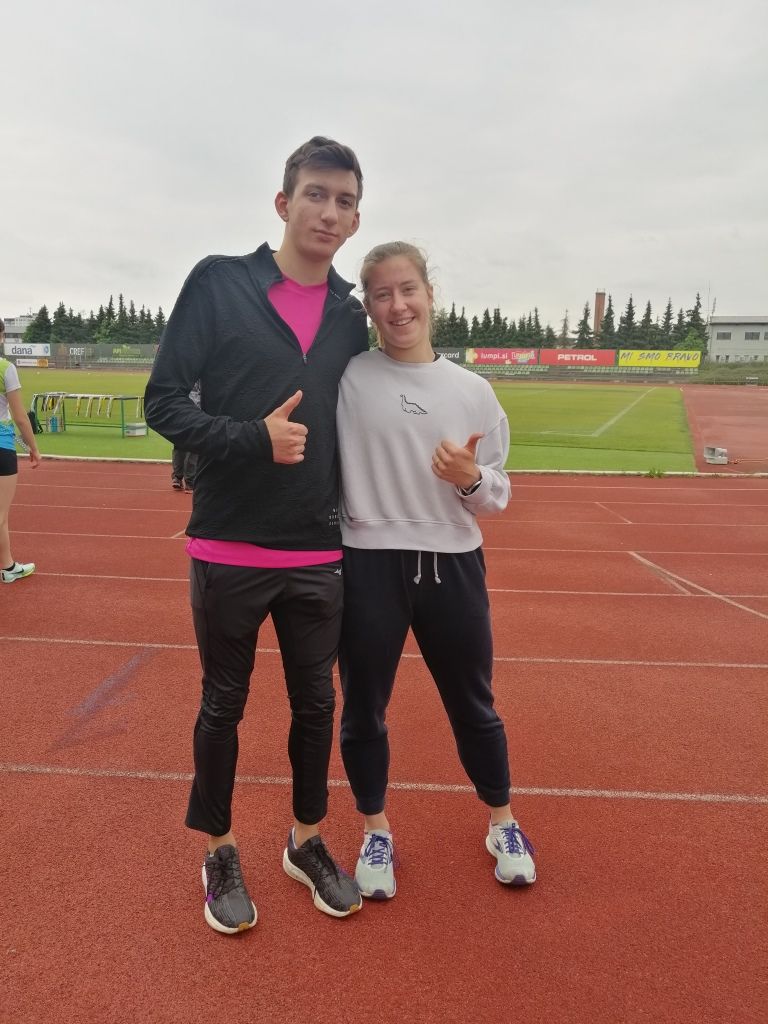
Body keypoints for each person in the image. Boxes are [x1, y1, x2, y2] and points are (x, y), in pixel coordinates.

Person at [144, 137, 368, 933]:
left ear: (356, 218)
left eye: (345, 201)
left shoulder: (350, 316)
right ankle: (220, 849)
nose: (329, 212)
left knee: (318, 704)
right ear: (284, 202)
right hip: (229, 543)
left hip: (318, 547)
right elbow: (163, 402)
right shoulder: (220, 282)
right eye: (316, 194)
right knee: (223, 706)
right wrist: (251, 439)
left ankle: (306, 840)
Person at [336, 242, 536, 900]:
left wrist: (471, 478)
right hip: (368, 564)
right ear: (368, 307)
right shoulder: (348, 377)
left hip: (453, 566)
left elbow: (497, 492)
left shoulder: (473, 391)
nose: (398, 306)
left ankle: (502, 823)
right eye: (382, 294)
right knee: (364, 709)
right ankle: (375, 830)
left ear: (429, 295)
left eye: (408, 290)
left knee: (474, 705)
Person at [0, 320, 42, 582]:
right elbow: (20, 417)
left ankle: (8, 566)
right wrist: (33, 448)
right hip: (2, 446)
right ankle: (7, 568)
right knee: (0, 514)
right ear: (2, 336)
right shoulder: (6, 368)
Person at [171, 382, 201, 491]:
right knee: (193, 448)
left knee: (179, 446)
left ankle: (177, 477)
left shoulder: (180, 376)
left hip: (180, 413)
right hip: (194, 414)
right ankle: (190, 482)